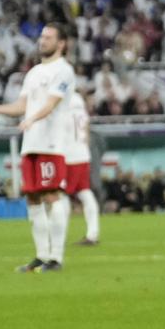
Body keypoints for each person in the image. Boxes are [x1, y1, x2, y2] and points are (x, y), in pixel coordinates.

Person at [0, 23, 76, 272]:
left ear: (61, 44)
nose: (42, 41)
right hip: (31, 142)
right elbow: (20, 106)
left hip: (51, 143)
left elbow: (52, 104)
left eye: (48, 37)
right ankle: (41, 255)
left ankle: (56, 257)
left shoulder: (64, 70)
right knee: (33, 197)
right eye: (41, 37)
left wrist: (32, 118)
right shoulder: (34, 72)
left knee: (51, 195)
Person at [64, 91, 100, 245]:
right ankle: (92, 233)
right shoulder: (80, 105)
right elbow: (86, 130)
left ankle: (58, 235)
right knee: (85, 192)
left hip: (69, 156)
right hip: (83, 153)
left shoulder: (62, 103)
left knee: (62, 195)